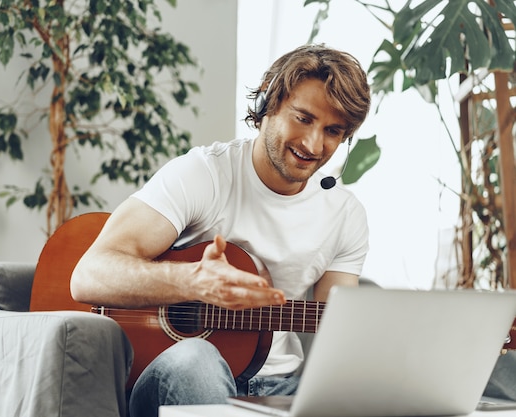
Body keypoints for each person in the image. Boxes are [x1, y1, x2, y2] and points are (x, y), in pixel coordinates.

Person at [70, 43, 372, 417]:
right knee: (197, 357)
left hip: (282, 390)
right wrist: (192, 281)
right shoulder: (204, 174)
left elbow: (338, 333)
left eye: (333, 131)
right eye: (303, 118)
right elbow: (88, 275)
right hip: (178, 377)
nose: (313, 144)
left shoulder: (345, 215)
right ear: (268, 102)